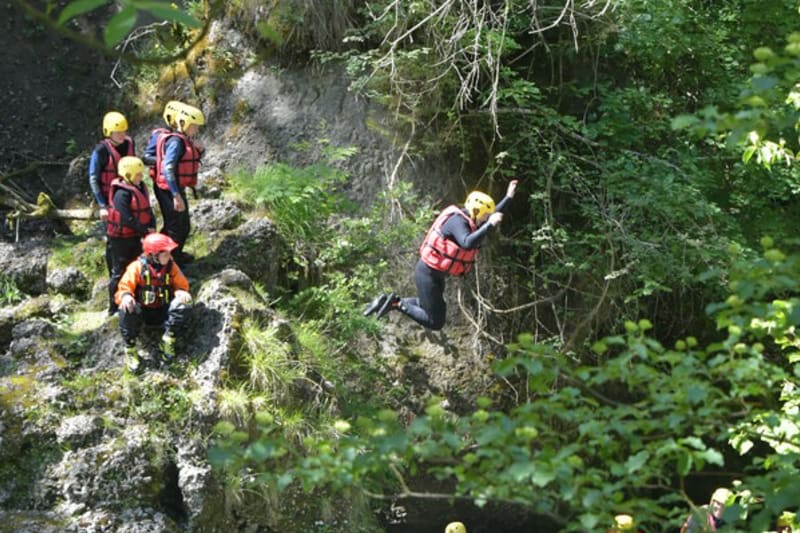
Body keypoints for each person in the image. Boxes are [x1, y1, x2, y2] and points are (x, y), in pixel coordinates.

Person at [364, 180, 518, 329]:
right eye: (485, 216)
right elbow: (467, 243)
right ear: (476, 211)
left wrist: (509, 197)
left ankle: (387, 301)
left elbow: (493, 214)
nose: (486, 219)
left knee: (432, 309)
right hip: (427, 274)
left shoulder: (473, 217)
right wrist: (490, 225)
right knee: (435, 322)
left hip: (436, 276)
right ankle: (396, 304)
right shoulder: (457, 221)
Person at [115, 233, 192, 372]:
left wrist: (181, 291)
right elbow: (123, 287)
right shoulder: (137, 267)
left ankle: (168, 339)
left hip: (163, 310)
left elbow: (183, 284)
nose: (170, 256)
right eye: (166, 253)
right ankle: (130, 349)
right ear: (154, 254)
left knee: (183, 303)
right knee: (125, 307)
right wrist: (126, 296)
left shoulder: (171, 266)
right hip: (143, 313)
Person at [153, 102, 205, 266]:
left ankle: (175, 256)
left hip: (174, 188)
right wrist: (176, 195)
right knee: (174, 227)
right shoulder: (176, 142)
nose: (196, 129)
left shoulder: (184, 140)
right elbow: (168, 168)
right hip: (168, 190)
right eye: (194, 126)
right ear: (184, 124)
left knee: (183, 226)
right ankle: (162, 259)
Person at [105, 156, 155, 315]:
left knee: (139, 267)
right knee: (119, 271)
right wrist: (143, 230)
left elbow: (148, 209)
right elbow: (126, 217)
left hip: (135, 235)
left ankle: (136, 299)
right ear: (128, 175)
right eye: (138, 174)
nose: (141, 177)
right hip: (121, 238)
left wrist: (151, 226)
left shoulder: (140, 188)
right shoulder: (121, 194)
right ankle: (113, 307)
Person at [88, 111, 136, 223]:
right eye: (118, 132)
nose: (122, 135)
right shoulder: (100, 151)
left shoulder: (130, 143)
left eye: (124, 131)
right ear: (109, 132)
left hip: (129, 195)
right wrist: (102, 206)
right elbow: (93, 179)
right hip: (109, 198)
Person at [142, 100, 184, 180]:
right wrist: (167, 160)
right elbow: (146, 158)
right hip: (163, 181)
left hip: (178, 178)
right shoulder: (159, 135)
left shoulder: (181, 135)